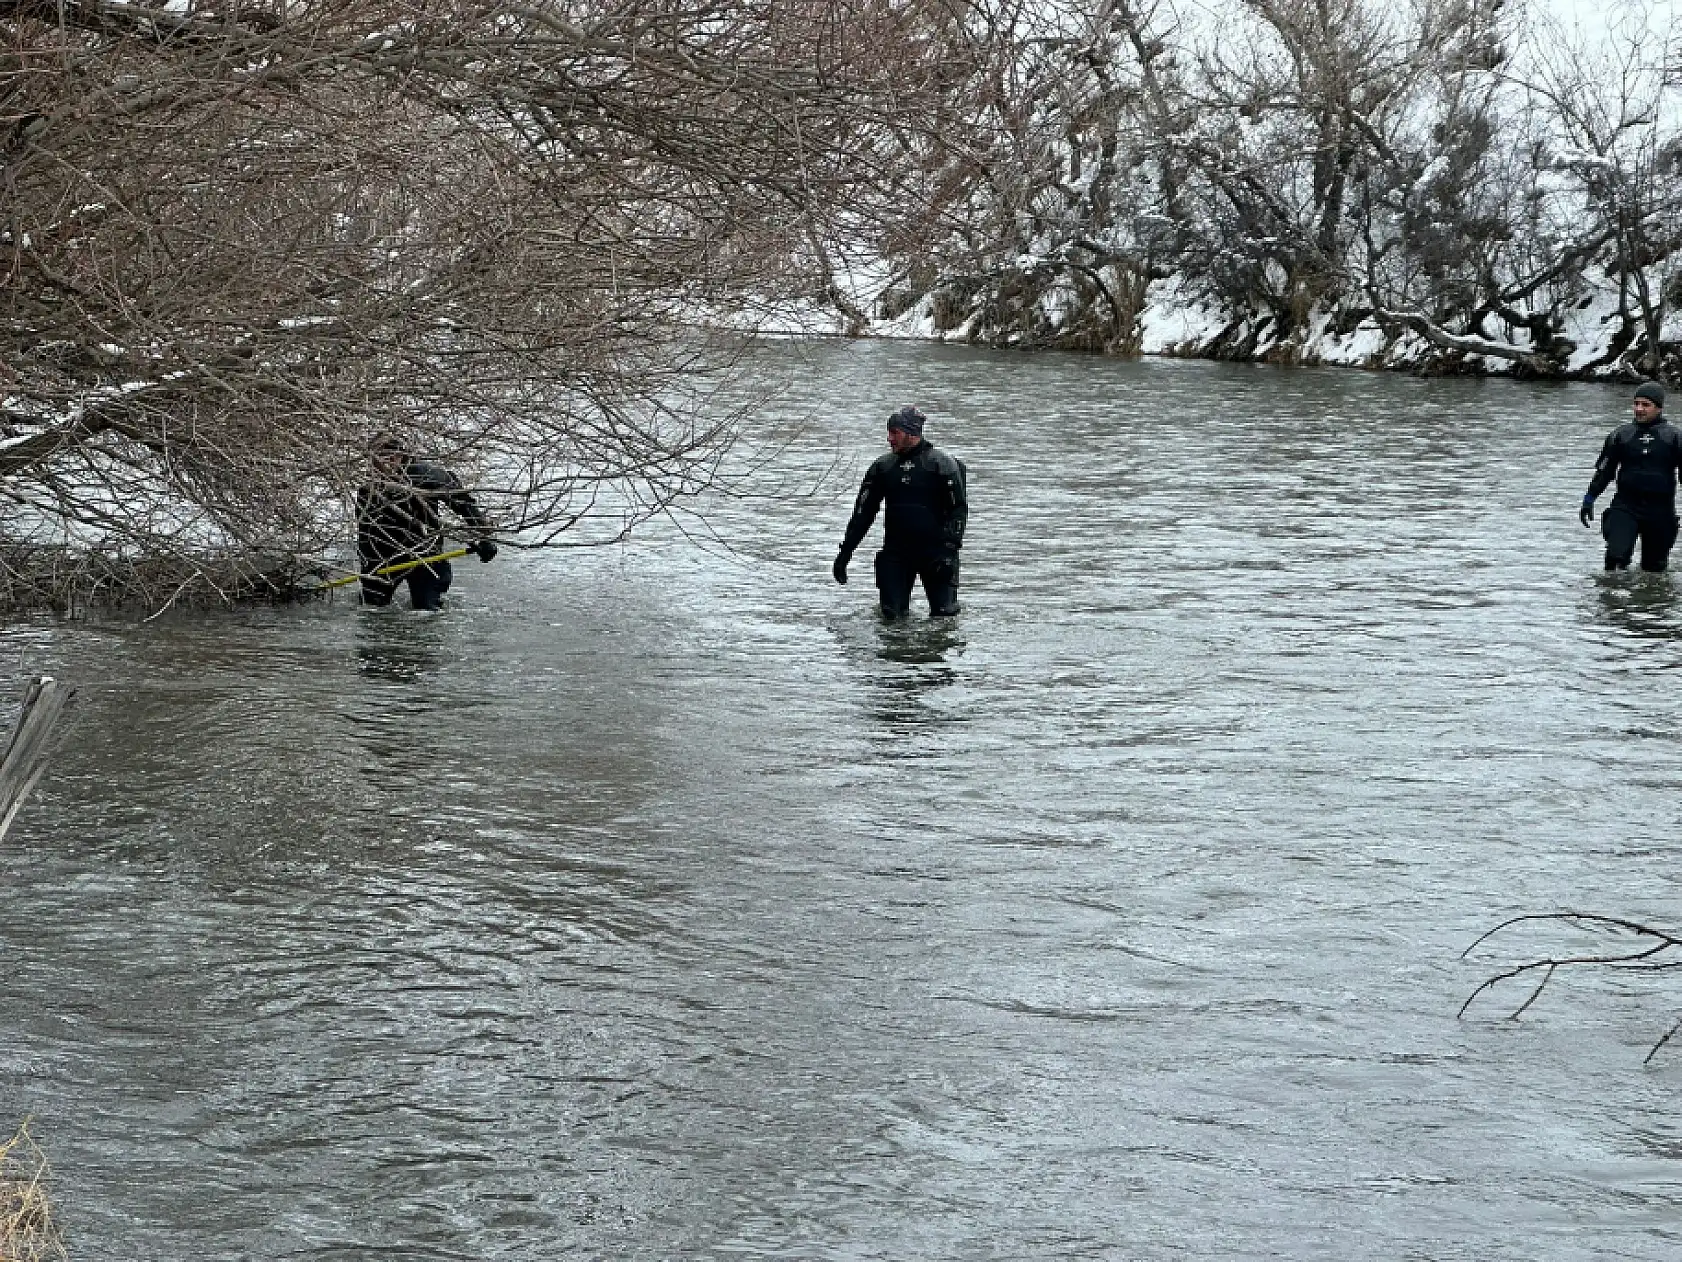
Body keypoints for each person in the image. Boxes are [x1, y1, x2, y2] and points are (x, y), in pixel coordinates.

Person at [832, 406, 968, 617]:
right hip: (896, 554)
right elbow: (863, 514)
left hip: (937, 554)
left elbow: (958, 510)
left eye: (895, 432)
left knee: (945, 616)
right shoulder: (882, 468)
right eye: (889, 432)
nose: (889, 438)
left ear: (912, 433)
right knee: (891, 617)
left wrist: (950, 552)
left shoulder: (943, 465)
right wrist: (845, 552)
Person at [356, 435, 498, 609]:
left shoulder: (426, 475)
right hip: (385, 558)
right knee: (372, 608)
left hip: (427, 554)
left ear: (401, 456)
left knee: (426, 608)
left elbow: (463, 503)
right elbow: (364, 536)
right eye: (378, 459)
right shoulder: (368, 490)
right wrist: (368, 571)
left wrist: (483, 537)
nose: (386, 463)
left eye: (391, 457)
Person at [1581, 381, 1682, 572]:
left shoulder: (1675, 438)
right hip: (1626, 506)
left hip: (1660, 510)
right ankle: (1613, 598)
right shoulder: (1621, 435)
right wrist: (1589, 499)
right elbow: (1604, 472)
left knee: (1654, 571)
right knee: (1615, 559)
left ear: (1659, 408)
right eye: (1636, 403)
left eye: (1645, 405)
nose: (1639, 409)